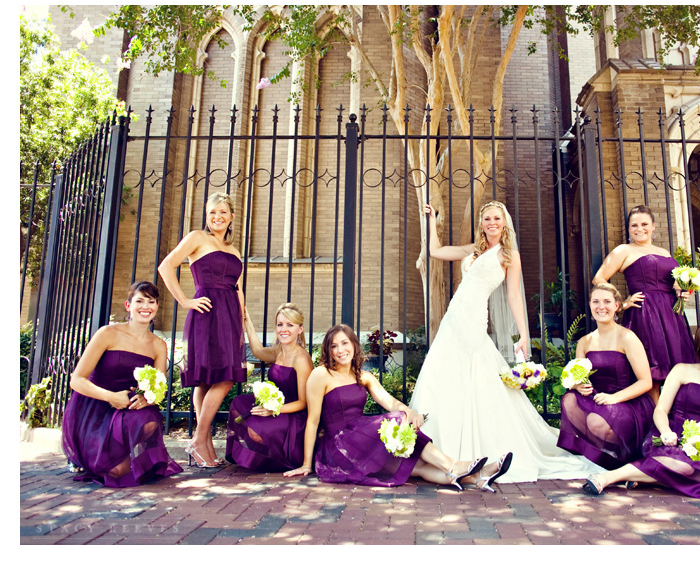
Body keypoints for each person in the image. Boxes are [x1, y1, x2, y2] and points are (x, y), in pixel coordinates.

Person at [407, 200, 601, 484]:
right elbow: (435, 251)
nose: (492, 223)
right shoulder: (473, 250)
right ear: (482, 223)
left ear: (504, 222)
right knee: (442, 370)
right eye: (487, 219)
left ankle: (471, 452)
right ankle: (442, 448)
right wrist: (431, 220)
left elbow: (513, 297)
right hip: (453, 318)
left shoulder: (509, 255)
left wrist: (523, 334)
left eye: (496, 218)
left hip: (474, 319)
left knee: (476, 372)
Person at [284, 324, 510, 491]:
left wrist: (408, 411)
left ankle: (478, 476)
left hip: (361, 439)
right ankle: (456, 465)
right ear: (329, 350)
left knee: (416, 466)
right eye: (334, 346)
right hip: (339, 446)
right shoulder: (321, 374)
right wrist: (306, 464)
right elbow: (312, 421)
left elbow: (389, 401)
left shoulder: (364, 376)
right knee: (393, 423)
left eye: (345, 343)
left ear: (354, 345)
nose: (340, 350)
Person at [582, 320, 700, 501]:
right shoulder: (682, 370)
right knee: (683, 467)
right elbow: (661, 410)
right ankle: (608, 477)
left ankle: (652, 479)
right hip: (671, 434)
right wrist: (666, 432)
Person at [61, 281, 183, 487]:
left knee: (149, 418)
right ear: (128, 306)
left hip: (125, 410)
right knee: (116, 472)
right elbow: (76, 380)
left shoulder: (158, 345)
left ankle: (115, 451)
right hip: (93, 409)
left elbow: (159, 387)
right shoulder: (107, 334)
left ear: (157, 307)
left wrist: (146, 398)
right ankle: (87, 453)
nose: (146, 307)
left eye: (151, 302)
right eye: (140, 301)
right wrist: (111, 397)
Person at [158, 192, 246, 467]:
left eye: (222, 212)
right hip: (205, 312)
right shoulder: (197, 238)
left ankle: (204, 446)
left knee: (218, 377)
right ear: (206, 216)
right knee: (212, 378)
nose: (217, 217)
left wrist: (242, 317)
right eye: (212, 212)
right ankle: (199, 440)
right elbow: (166, 266)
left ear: (232, 217)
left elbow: (238, 288)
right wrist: (185, 300)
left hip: (229, 314)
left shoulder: (235, 251)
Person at [592, 205, 697, 401]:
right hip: (645, 314)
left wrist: (682, 292)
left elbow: (673, 283)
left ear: (653, 226)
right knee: (652, 373)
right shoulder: (624, 250)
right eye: (634, 225)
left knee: (678, 373)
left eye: (644, 224)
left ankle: (673, 419)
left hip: (671, 316)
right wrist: (621, 303)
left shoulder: (664, 252)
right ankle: (655, 423)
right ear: (629, 229)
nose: (639, 229)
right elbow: (599, 279)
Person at [557, 283, 654, 470]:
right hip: (598, 398)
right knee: (569, 400)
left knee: (594, 422)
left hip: (626, 402)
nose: (601, 307)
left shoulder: (627, 337)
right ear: (591, 305)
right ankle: (597, 450)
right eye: (596, 301)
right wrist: (577, 386)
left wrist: (614, 398)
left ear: (617, 306)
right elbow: (580, 376)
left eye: (607, 301)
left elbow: (646, 382)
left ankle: (619, 454)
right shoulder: (584, 342)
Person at [225, 303, 313, 471]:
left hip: (293, 414)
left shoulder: (301, 359)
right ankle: (259, 454)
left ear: (300, 329)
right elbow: (258, 351)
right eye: (280, 324)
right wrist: (247, 322)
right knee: (239, 403)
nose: (284, 329)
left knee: (256, 429)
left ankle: (271, 457)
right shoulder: (279, 350)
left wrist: (274, 410)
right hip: (274, 405)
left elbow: (303, 402)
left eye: (290, 325)